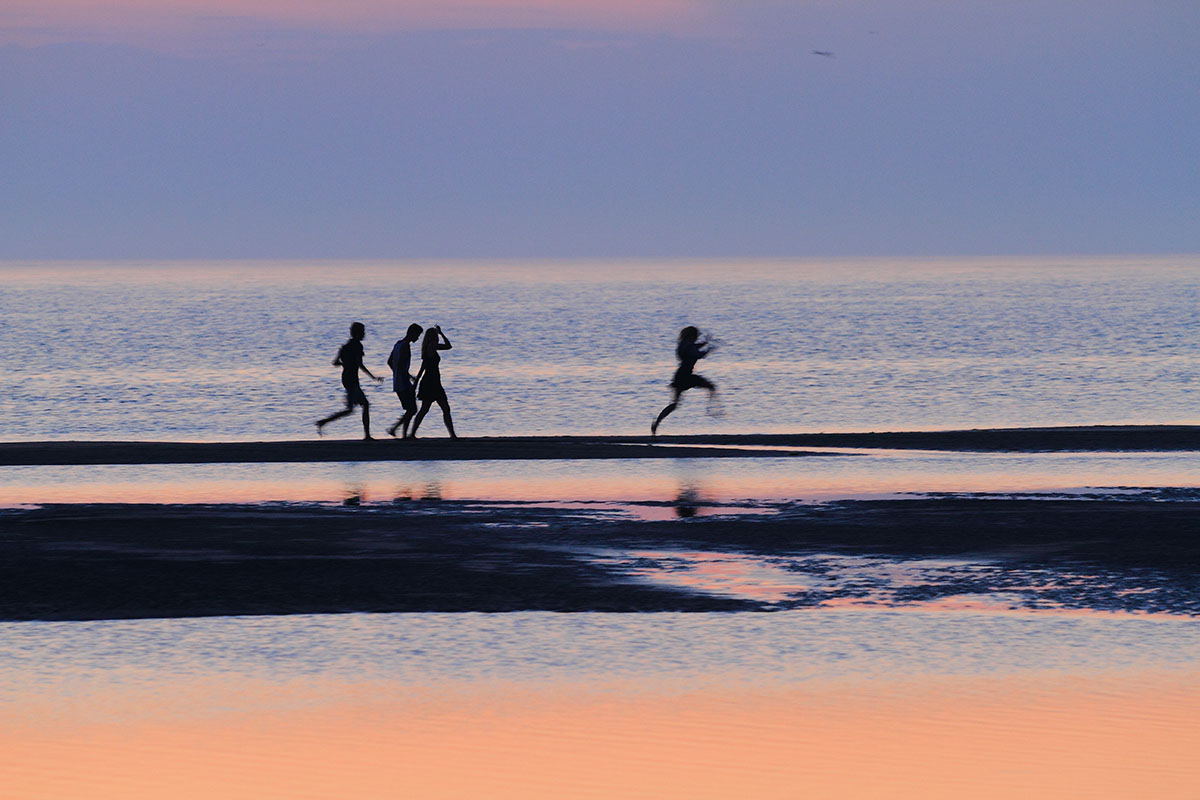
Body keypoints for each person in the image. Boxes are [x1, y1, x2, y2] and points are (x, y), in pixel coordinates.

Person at [316, 322, 383, 439]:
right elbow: (360, 364)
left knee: (352, 409)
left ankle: (323, 422)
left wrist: (345, 363)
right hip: (352, 379)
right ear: (357, 333)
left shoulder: (345, 346)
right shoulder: (358, 346)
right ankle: (367, 435)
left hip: (346, 378)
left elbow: (335, 362)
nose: (364, 334)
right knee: (363, 405)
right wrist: (373, 377)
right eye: (362, 332)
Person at [651, 325, 718, 436]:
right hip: (686, 376)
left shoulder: (683, 344)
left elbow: (694, 347)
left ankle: (656, 423)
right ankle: (713, 411)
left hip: (680, 376)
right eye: (696, 335)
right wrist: (710, 349)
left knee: (674, 404)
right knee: (711, 387)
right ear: (692, 335)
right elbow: (698, 354)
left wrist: (705, 343)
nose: (697, 337)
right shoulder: (689, 346)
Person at [409, 325, 457, 439]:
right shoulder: (431, 347)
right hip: (431, 382)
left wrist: (441, 333)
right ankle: (412, 434)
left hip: (433, 382)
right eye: (435, 336)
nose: (437, 337)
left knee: (438, 408)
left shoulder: (429, 347)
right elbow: (448, 346)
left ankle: (452, 435)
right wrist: (441, 333)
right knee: (432, 409)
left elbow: (448, 346)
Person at [385, 323, 424, 438]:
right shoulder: (405, 346)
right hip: (404, 382)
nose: (417, 338)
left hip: (397, 381)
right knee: (412, 409)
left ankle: (399, 431)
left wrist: (396, 372)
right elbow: (402, 365)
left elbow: (389, 362)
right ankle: (400, 432)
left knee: (410, 409)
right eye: (417, 335)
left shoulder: (398, 344)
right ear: (412, 333)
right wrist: (410, 378)